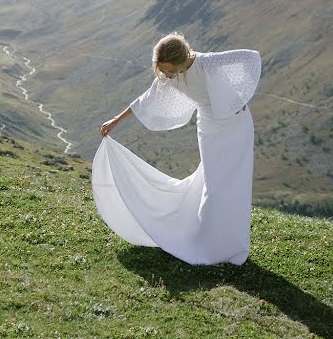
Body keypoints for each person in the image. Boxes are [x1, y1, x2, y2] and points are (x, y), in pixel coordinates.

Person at [93, 32, 262, 266]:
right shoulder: (168, 76)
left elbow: (250, 58)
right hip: (209, 128)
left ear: (182, 60)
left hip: (236, 126)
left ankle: (224, 245)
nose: (165, 75)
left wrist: (236, 99)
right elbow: (146, 99)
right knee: (213, 183)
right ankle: (211, 240)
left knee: (230, 184)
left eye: (169, 70)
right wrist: (116, 120)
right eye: (162, 70)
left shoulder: (207, 62)